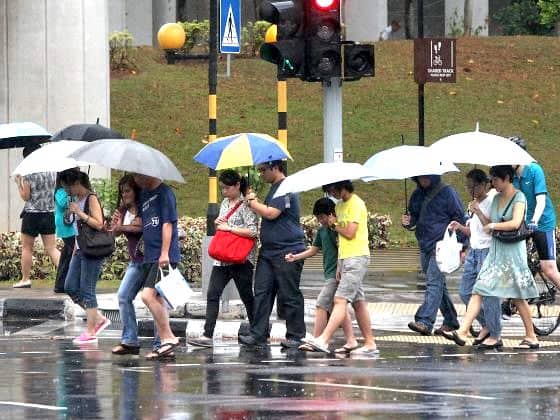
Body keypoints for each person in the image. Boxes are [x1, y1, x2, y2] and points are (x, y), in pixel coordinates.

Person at [442, 165, 540, 349]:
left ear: (506, 178)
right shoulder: (496, 200)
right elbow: (488, 223)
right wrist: (480, 215)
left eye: (495, 179)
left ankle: (531, 336)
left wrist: (494, 226)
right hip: (496, 252)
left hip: (512, 252)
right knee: (480, 289)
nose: (492, 183)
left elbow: (516, 222)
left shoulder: (519, 197)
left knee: (518, 296)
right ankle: (463, 331)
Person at [238, 160, 307, 349]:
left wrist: (252, 201)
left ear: (275, 167)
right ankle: (258, 333)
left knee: (289, 294)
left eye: (263, 170)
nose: (261, 174)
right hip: (268, 251)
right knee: (261, 292)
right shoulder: (274, 188)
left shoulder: (286, 187)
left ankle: (296, 335)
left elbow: (271, 213)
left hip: (288, 249)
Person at [303, 181, 378, 355]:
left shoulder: (356, 204)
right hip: (346, 259)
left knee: (339, 300)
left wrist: (334, 224)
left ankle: (324, 339)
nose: (331, 194)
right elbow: (341, 240)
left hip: (357, 257)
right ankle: (369, 342)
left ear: (341, 187)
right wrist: (339, 264)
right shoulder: (341, 206)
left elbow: (350, 233)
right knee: (358, 303)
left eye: (331, 190)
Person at [188, 170, 257, 348]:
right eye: (222, 188)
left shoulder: (247, 205)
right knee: (213, 294)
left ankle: (257, 331)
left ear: (237, 186)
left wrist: (229, 228)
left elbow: (253, 231)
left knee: (247, 296)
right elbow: (223, 226)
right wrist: (219, 224)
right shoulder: (225, 203)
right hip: (222, 258)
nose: (224, 192)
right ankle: (207, 334)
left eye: (227, 188)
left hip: (241, 259)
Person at [287, 197, 360, 353]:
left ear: (331, 214)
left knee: (321, 304)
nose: (320, 221)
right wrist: (296, 257)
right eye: (318, 218)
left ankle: (318, 338)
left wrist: (341, 268)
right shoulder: (322, 231)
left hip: (337, 274)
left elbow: (344, 250)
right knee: (340, 308)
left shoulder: (338, 230)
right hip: (330, 273)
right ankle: (351, 340)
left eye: (322, 217)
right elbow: (314, 250)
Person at [402, 175, 466, 336]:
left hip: (442, 246)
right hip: (424, 244)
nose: (423, 179)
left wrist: (462, 246)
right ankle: (450, 319)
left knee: (433, 283)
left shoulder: (448, 193)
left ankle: (425, 321)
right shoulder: (416, 195)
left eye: (426, 175)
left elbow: (460, 218)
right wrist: (408, 222)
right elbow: (414, 219)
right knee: (438, 285)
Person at [448, 169, 502, 348]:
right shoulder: (471, 204)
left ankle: (495, 333)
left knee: (488, 295)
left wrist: (478, 211)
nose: (469, 189)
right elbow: (474, 231)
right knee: (465, 292)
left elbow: (492, 227)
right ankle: (487, 324)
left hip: (488, 251)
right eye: (467, 186)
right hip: (474, 251)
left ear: (482, 185)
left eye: (472, 186)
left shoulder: (492, 200)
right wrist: (460, 227)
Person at [134, 173, 181, 360]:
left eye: (138, 176)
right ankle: (164, 342)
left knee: (147, 296)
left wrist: (164, 253)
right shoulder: (144, 194)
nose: (136, 180)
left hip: (163, 255)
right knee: (158, 299)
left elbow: (167, 224)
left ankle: (168, 337)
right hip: (149, 255)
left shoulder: (165, 193)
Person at [64, 171, 111, 345]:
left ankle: (91, 332)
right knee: (69, 286)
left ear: (76, 183)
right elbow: (75, 226)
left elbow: (99, 223)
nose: (66, 189)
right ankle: (98, 318)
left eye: (67, 185)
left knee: (87, 290)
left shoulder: (91, 198)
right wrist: (71, 213)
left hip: (93, 249)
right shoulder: (76, 200)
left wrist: (80, 213)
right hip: (80, 248)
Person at [510, 136, 560, 289]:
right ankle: (511, 305)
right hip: (523, 223)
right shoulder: (510, 175)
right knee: (514, 265)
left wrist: (535, 221)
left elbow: (541, 200)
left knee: (549, 269)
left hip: (542, 222)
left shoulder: (534, 170)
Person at [111, 175, 151, 355]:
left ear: (136, 191)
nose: (124, 195)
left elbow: (142, 227)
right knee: (123, 296)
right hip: (136, 261)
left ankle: (162, 342)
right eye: (122, 192)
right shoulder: (124, 211)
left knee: (156, 301)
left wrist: (124, 228)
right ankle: (130, 340)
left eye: (127, 191)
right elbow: (115, 233)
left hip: (150, 260)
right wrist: (114, 227)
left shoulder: (145, 207)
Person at [13, 144, 60, 288]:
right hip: (49, 213)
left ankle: (25, 279)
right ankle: (66, 276)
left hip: (32, 215)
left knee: (27, 248)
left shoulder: (29, 173)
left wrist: (18, 183)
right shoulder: (52, 171)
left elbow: (26, 197)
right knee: (52, 248)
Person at [53, 169, 77, 293]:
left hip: (70, 225)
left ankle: (60, 284)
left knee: (67, 253)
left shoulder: (67, 190)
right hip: (65, 225)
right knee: (71, 252)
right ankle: (63, 283)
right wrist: (72, 195)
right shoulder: (60, 191)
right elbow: (63, 204)